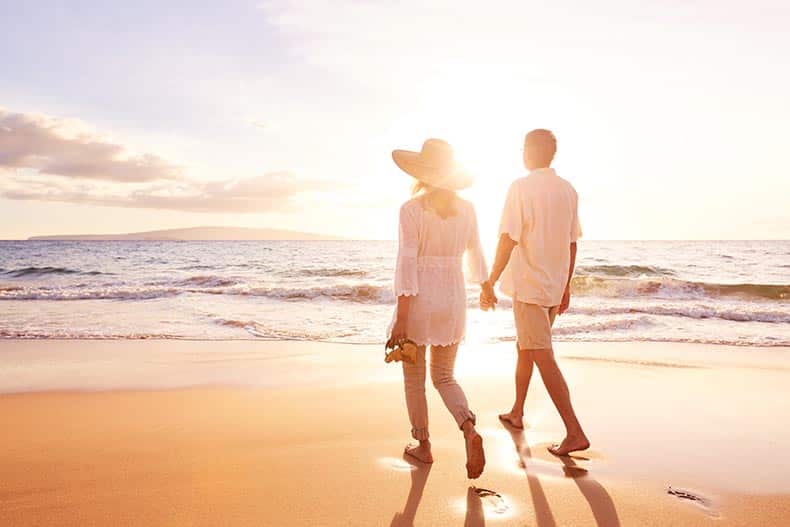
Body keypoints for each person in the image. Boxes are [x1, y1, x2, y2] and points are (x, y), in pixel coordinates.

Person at [480, 129, 590, 456]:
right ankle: (517, 411)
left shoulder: (521, 187)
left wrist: (490, 279)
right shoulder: (568, 190)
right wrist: (566, 285)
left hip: (529, 287)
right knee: (526, 348)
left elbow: (508, 237)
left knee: (542, 355)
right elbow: (572, 243)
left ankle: (574, 432)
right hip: (553, 287)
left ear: (529, 151)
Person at [387, 138, 488, 479]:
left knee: (414, 380)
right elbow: (476, 253)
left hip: (419, 302)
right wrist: (485, 286)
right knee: (444, 376)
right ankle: (468, 428)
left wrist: (401, 317)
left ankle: (423, 445)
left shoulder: (411, 210)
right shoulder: (468, 209)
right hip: (453, 299)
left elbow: (407, 263)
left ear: (422, 173)